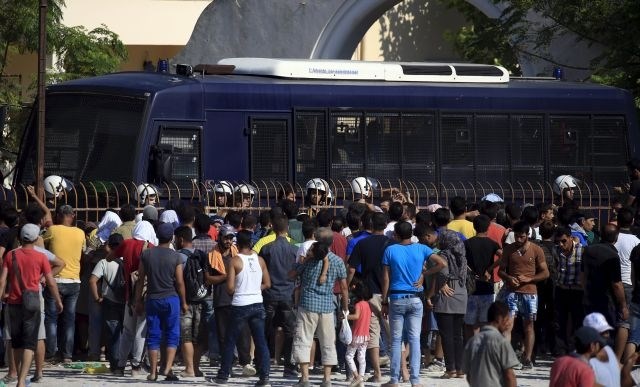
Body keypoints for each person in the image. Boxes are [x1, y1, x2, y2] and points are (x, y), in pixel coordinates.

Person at [381, 221, 447, 386]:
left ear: (396, 234)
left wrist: (384, 300)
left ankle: (394, 379)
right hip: (416, 298)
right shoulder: (422, 248)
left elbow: (386, 278)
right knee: (414, 339)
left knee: (396, 340)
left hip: (396, 298)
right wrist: (425, 273)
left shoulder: (390, 250)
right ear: (412, 233)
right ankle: (415, 380)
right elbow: (442, 264)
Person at [0, 224, 63, 387]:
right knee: (30, 343)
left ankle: (15, 372)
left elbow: (2, 280)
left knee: (16, 342)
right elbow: (50, 281)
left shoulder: (11, 255)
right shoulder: (41, 257)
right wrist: (58, 300)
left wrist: (2, 296)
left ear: (21, 237)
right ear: (36, 239)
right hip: (33, 302)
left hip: (13, 303)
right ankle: (21, 381)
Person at [210, 230, 272, 387]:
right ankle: (264, 377)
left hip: (240, 305)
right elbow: (267, 284)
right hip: (257, 303)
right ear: (251, 242)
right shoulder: (260, 260)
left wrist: (241, 288)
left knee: (230, 341)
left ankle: (223, 375)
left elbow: (230, 288)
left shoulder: (235, 261)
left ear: (237, 243)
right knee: (261, 342)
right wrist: (254, 288)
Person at [291, 228, 349, 387]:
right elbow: (344, 288)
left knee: (303, 340)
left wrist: (302, 260)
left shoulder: (309, 260)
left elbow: (293, 274)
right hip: (327, 306)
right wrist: (344, 307)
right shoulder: (337, 261)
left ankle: (304, 378)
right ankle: (327, 379)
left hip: (307, 304)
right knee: (328, 342)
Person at [134, 223, 188, 382]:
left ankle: (152, 372)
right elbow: (179, 282)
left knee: (154, 335)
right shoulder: (175, 256)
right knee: (172, 334)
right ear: (172, 237)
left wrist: (138, 300)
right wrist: (184, 302)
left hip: (152, 298)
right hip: (171, 299)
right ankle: (167, 367)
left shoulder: (147, 254)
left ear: (157, 236)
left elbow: (140, 279)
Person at [347, 212, 392, 382]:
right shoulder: (392, 244)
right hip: (389, 294)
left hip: (370, 293)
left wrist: (347, 286)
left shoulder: (362, 243)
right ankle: (402, 371)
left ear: (371, 224)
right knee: (393, 335)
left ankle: (378, 374)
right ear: (386, 224)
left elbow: (351, 269)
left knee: (372, 336)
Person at [498, 221, 550, 369]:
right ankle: (507, 358)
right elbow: (501, 270)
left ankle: (527, 358)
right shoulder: (509, 249)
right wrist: (508, 278)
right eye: (516, 236)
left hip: (530, 292)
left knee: (529, 326)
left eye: (522, 236)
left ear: (528, 235)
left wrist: (530, 279)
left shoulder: (536, 250)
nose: (518, 239)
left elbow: (545, 273)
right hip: (512, 291)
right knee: (508, 325)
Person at [42, 204, 85, 363]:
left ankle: (51, 353)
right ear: (72, 216)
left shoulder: (53, 231)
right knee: (69, 319)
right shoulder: (80, 233)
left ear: (59, 215)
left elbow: (40, 244)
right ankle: (67, 355)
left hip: (55, 279)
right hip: (74, 281)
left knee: (51, 318)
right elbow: (83, 253)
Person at [583, 224, 629, 362]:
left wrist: (586, 292)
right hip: (606, 301)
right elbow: (616, 284)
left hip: (590, 298)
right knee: (606, 334)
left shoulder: (588, 250)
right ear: (616, 238)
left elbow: (583, 276)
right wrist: (623, 305)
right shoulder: (612, 256)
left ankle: (591, 360)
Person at [260, 215, 299, 378]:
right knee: (290, 331)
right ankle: (289, 367)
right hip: (288, 294)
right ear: (287, 229)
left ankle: (262, 364)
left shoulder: (267, 248)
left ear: (273, 229)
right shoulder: (295, 249)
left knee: (264, 329)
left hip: (270, 293)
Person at [88, 233, 125, 372]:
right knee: (126, 332)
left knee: (114, 333)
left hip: (109, 301)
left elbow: (92, 281)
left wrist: (97, 298)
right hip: (126, 301)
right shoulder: (128, 260)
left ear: (109, 246)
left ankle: (116, 366)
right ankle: (128, 362)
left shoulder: (104, 262)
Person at [462, 301, 519, 387]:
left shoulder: (472, 341)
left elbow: (469, 375)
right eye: (507, 319)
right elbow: (509, 376)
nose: (508, 324)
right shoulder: (501, 341)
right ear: (499, 318)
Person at [464, 215, 502, 336]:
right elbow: (503, 256)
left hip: (471, 287)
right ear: (488, 227)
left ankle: (473, 348)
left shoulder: (467, 243)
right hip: (487, 286)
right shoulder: (492, 243)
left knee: (471, 323)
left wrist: (470, 271)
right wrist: (490, 269)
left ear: (474, 227)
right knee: (486, 322)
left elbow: (462, 261)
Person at [553, 227, 585, 354]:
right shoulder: (556, 250)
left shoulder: (582, 250)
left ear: (571, 238)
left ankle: (577, 349)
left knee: (578, 321)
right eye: (558, 242)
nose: (561, 244)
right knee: (559, 321)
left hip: (577, 291)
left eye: (563, 241)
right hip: (562, 289)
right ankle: (561, 350)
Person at [344, 278, 372, 387]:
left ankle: (357, 377)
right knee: (362, 357)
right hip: (365, 335)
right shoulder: (368, 305)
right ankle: (361, 379)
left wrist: (345, 316)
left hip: (357, 334)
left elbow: (356, 316)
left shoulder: (358, 305)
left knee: (349, 356)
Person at [583, 312, 621, 387]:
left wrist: (630, 361)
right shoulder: (582, 357)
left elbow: (618, 371)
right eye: (602, 332)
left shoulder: (608, 350)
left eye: (607, 331)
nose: (607, 335)